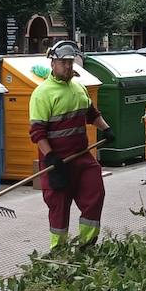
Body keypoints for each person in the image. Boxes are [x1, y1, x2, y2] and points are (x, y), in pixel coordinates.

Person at [29, 39, 113, 248]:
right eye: (63, 62)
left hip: (82, 157)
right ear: (53, 64)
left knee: (95, 195)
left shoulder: (79, 89)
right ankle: (58, 251)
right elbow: (38, 133)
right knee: (59, 207)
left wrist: (107, 129)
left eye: (70, 61)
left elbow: (92, 114)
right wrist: (50, 157)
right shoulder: (42, 94)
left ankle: (87, 246)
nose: (68, 66)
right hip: (57, 162)